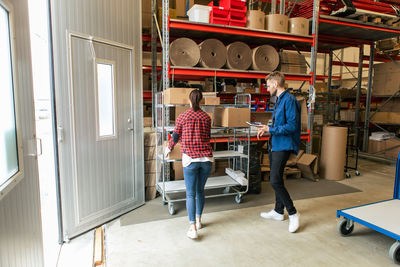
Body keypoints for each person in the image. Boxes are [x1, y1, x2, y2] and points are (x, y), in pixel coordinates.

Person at [257, 71, 301, 233]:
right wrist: (267, 129)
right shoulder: (280, 100)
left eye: (268, 85)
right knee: (277, 179)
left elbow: (292, 126)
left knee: (274, 180)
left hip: (284, 144)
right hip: (276, 144)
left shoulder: (289, 100)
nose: (267, 88)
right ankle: (278, 211)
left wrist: (271, 129)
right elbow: (279, 123)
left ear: (275, 84)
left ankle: (293, 213)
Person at [166, 89, 214, 239]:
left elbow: (175, 136)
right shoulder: (207, 117)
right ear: (201, 101)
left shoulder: (182, 117)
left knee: (190, 193)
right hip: (206, 159)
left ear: (189, 100)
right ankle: (199, 220)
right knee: (200, 191)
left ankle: (192, 227)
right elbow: (208, 136)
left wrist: (169, 148)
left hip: (190, 159)